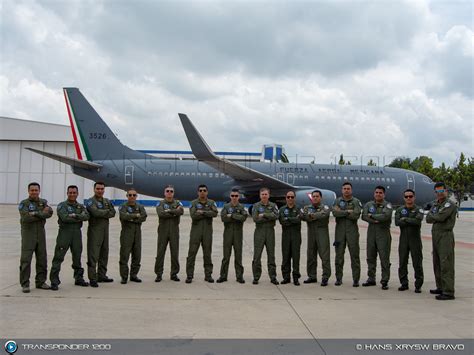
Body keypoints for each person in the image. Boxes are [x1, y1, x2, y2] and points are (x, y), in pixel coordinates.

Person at [50, 185, 90, 291]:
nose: (72, 194)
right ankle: (54, 281)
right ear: (67, 193)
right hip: (64, 234)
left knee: (77, 257)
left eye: (74, 193)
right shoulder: (62, 205)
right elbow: (64, 218)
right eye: (70, 193)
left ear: (77, 194)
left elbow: (86, 216)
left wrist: (73, 215)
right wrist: (78, 216)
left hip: (77, 234)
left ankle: (78, 278)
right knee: (58, 257)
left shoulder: (80, 206)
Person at [18, 182, 53, 293]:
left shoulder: (43, 202)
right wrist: (41, 213)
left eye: (36, 190)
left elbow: (49, 213)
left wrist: (34, 213)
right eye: (32, 190)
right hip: (28, 235)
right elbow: (26, 218)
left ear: (39, 191)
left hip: (40, 235)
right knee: (26, 260)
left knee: (42, 259)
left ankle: (41, 282)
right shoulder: (24, 203)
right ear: (28, 191)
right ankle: (25, 284)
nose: (34, 192)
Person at [426, 182, 458, 301]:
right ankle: (440, 287)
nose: (439, 194)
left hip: (445, 235)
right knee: (437, 262)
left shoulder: (450, 204)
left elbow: (440, 217)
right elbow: (428, 219)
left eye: (441, 191)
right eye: (437, 192)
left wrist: (435, 216)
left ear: (446, 191)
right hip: (436, 235)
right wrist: (435, 216)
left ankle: (448, 291)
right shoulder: (435, 205)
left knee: (446, 263)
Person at [362, 186, 393, 290]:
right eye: (376, 192)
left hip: (383, 233)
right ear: (374, 194)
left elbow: (386, 216)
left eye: (380, 193)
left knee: (384, 257)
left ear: (384, 194)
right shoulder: (369, 204)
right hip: (371, 233)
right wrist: (373, 219)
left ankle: (384, 280)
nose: (378, 194)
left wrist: (373, 216)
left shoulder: (387, 205)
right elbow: (364, 216)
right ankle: (371, 278)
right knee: (370, 256)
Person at [85, 181, 116, 287]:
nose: (100, 191)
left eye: (102, 189)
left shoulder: (106, 201)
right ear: (94, 189)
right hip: (95, 231)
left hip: (105, 231)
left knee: (104, 253)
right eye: (98, 189)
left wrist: (102, 212)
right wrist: (105, 212)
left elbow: (113, 213)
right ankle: (92, 278)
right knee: (93, 254)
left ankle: (102, 275)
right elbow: (95, 212)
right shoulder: (90, 201)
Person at [186, 185, 218, 283]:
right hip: (196, 232)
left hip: (207, 232)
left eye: (204, 190)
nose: (202, 192)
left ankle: (208, 275)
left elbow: (215, 213)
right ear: (198, 192)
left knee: (207, 254)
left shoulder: (211, 202)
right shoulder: (193, 203)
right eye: (200, 190)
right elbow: (193, 215)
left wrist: (202, 212)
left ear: (207, 192)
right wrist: (207, 213)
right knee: (192, 253)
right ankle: (189, 275)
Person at [332, 182, 362, 287]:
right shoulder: (337, 201)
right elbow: (335, 213)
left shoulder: (356, 201)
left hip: (352, 232)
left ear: (351, 190)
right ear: (342, 190)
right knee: (339, 256)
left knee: (354, 256)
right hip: (339, 232)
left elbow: (356, 215)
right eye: (344, 188)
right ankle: (338, 278)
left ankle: (356, 279)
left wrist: (342, 212)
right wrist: (348, 212)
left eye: (348, 188)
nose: (346, 190)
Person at [395, 189, 424, 293]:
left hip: (415, 239)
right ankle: (404, 283)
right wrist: (408, 220)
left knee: (417, 262)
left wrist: (405, 219)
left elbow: (417, 221)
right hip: (403, 239)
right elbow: (397, 222)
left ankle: (418, 285)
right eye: (406, 196)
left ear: (414, 197)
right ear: (404, 198)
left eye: (410, 196)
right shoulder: (400, 210)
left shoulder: (419, 209)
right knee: (402, 262)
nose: (408, 198)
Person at [301, 190, 331, 286]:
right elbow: (303, 216)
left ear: (320, 198)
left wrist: (312, 216)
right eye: (313, 196)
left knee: (324, 255)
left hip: (322, 232)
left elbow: (324, 214)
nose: (315, 198)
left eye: (317, 196)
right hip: (311, 233)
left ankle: (325, 277)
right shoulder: (307, 207)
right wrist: (313, 216)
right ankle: (312, 276)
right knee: (311, 255)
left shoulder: (325, 207)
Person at [217, 189, 248, 283]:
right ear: (230, 196)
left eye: (236, 196)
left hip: (238, 235)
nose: (234, 197)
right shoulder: (226, 206)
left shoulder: (241, 207)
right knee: (226, 256)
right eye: (233, 196)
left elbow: (243, 218)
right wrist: (235, 217)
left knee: (238, 256)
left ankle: (239, 276)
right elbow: (223, 218)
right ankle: (223, 276)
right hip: (228, 234)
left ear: (239, 197)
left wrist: (232, 216)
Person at [155, 185, 184, 282]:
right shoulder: (161, 203)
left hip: (174, 231)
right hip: (163, 231)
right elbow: (161, 214)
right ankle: (159, 274)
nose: (169, 193)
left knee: (175, 253)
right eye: (167, 191)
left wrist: (169, 211)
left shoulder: (178, 202)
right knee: (160, 253)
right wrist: (174, 212)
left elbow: (181, 212)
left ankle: (174, 274)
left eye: (171, 191)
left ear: (173, 193)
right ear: (164, 193)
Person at [119, 188, 147, 284]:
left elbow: (144, 217)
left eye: (134, 195)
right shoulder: (123, 206)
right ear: (127, 196)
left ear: (136, 196)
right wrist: (136, 216)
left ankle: (134, 275)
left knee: (137, 255)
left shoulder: (140, 206)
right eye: (130, 195)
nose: (132, 197)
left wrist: (131, 217)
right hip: (126, 233)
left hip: (137, 233)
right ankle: (124, 276)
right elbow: (123, 216)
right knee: (124, 255)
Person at [252, 187, 279, 285]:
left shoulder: (273, 205)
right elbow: (255, 218)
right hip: (259, 232)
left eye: (266, 194)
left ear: (269, 195)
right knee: (257, 256)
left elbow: (276, 216)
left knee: (271, 255)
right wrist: (269, 216)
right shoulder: (256, 206)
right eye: (262, 194)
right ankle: (256, 277)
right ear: (260, 195)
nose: (264, 196)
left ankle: (273, 277)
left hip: (270, 232)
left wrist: (263, 215)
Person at [278, 191, 302, 286]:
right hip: (286, 236)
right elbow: (282, 221)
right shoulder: (282, 209)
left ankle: (296, 277)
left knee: (296, 257)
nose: (290, 199)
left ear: (295, 198)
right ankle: (286, 277)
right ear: (286, 198)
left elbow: (299, 219)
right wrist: (293, 219)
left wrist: (288, 219)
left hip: (296, 236)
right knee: (286, 257)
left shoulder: (299, 208)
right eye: (288, 197)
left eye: (292, 197)